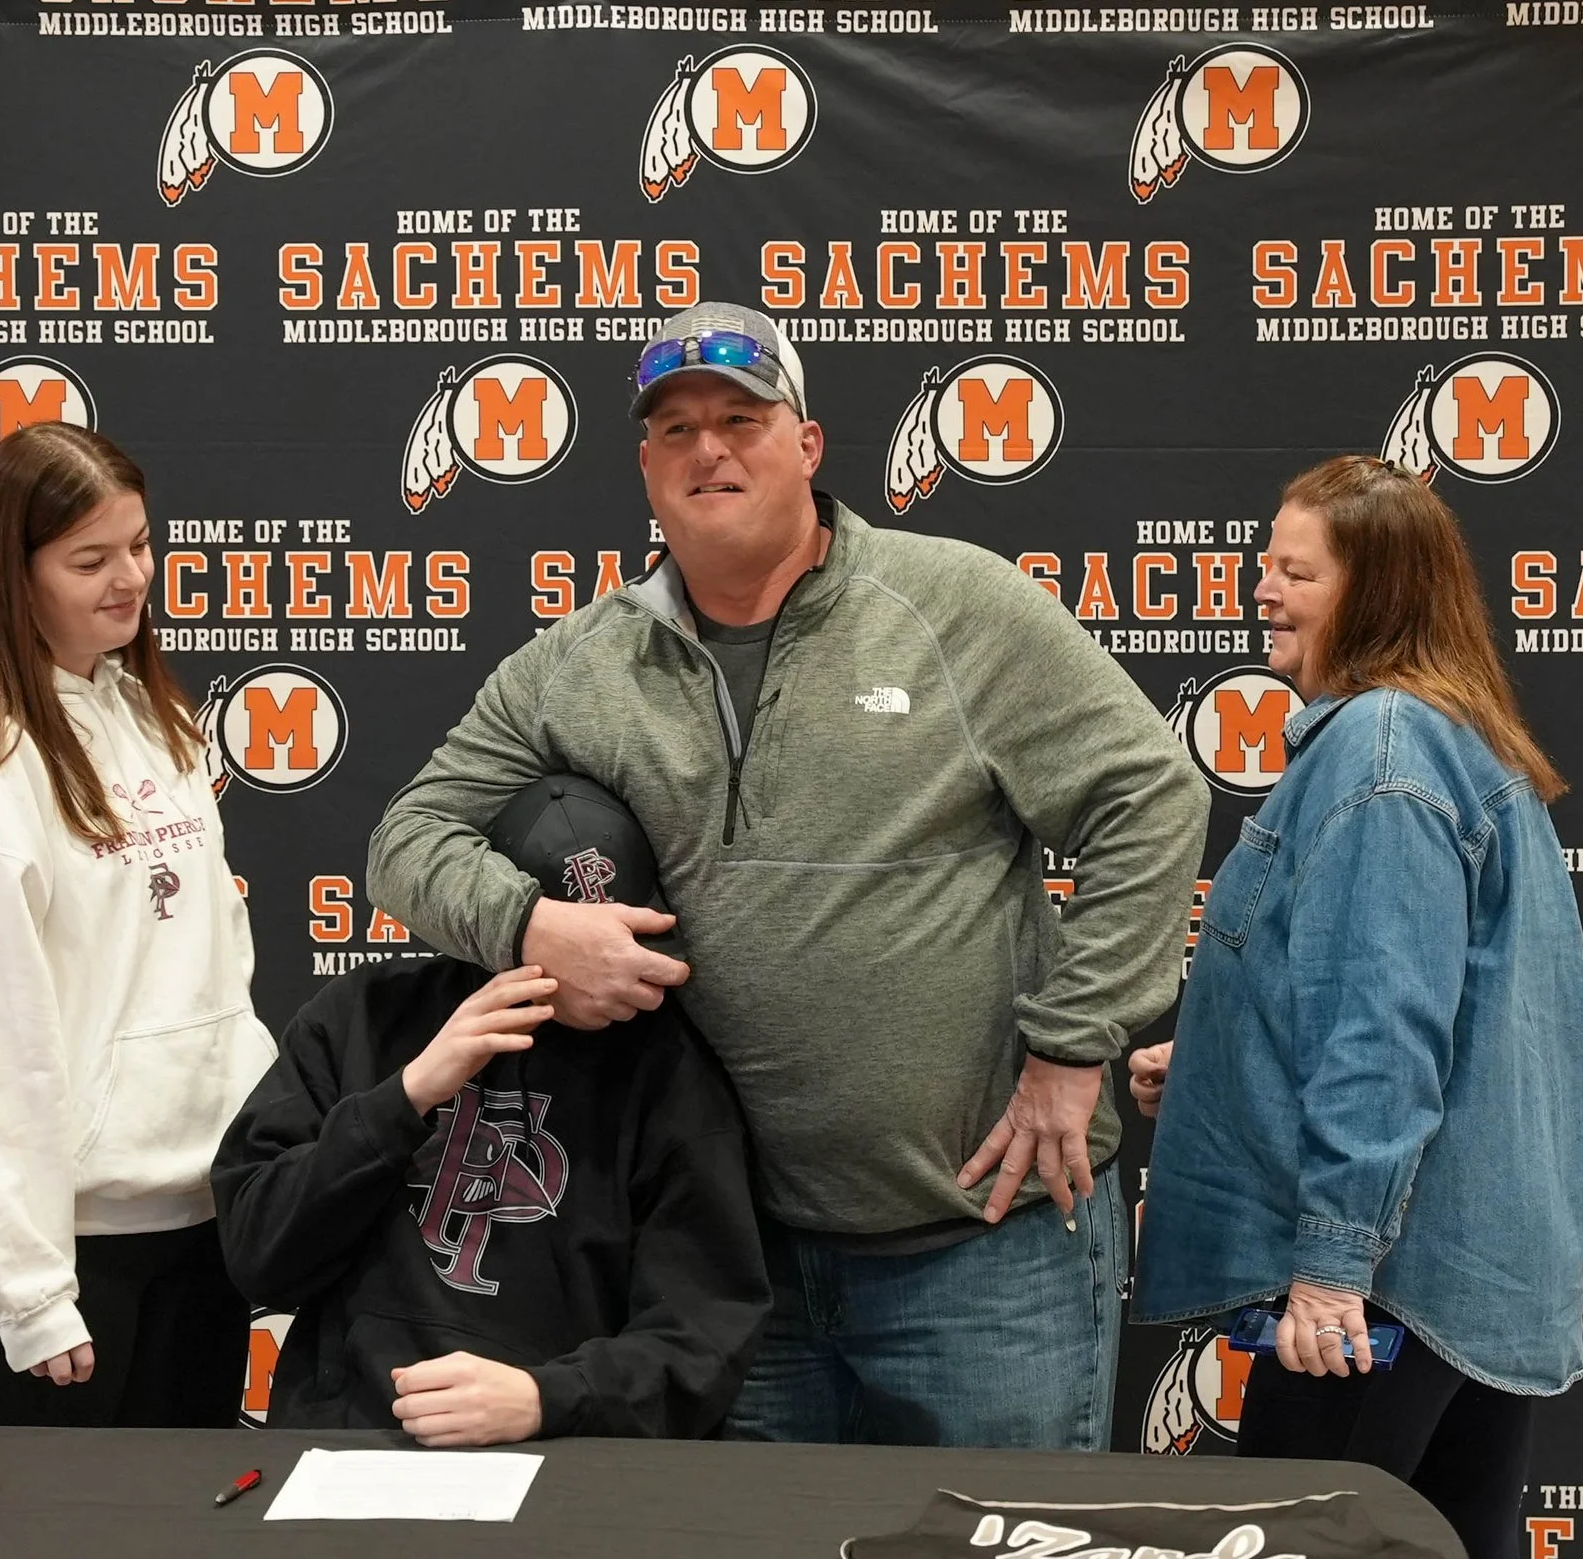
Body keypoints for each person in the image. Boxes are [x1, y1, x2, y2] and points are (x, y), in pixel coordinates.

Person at [366, 303, 1207, 1449]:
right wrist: (531, 927)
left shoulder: (954, 605)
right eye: (674, 429)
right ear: (645, 466)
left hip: (984, 1247)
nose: (707, 449)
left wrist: (1073, 1046)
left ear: (806, 445)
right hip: (728, 1269)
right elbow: (408, 838)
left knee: (998, 1554)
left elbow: (1149, 797)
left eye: (741, 420)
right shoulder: (582, 663)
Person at [1130, 456, 1583, 1559]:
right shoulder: (1449, 738)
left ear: (1375, 593)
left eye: (1297, 572)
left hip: (1382, 1285)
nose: (1261, 591)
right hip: (1463, 1268)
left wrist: (1333, 1269)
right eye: (1263, 565)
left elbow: (1385, 1031)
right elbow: (1398, 1006)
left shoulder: (1381, 753)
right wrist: (1210, 1065)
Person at [0, 422, 276, 1426]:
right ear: (13, 575)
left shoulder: (154, 718)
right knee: (60, 1533)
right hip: (63, 1259)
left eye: (140, 544)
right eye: (90, 560)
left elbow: (215, 964)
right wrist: (31, 1292)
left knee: (189, 1521)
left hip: (197, 1220)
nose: (130, 578)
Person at [212, 775, 769, 1445]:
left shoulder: (670, 1071)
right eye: (582, 948)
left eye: (628, 941)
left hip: (561, 1452)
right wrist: (407, 1095)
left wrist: (546, 1398)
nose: (615, 969)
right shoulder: (366, 1016)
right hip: (347, 1438)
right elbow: (259, 1254)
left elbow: (703, 1333)